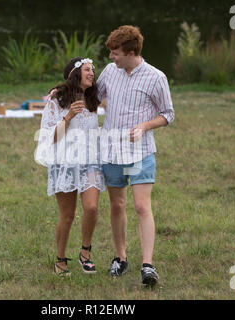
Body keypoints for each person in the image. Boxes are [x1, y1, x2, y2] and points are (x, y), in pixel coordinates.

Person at [96, 25, 175, 286]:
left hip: (140, 153)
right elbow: (92, 98)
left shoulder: (156, 77)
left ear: (131, 52)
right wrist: (60, 95)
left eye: (115, 52)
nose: (111, 57)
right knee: (117, 205)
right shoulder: (110, 72)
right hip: (111, 152)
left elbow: (168, 114)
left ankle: (148, 266)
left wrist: (145, 126)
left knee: (142, 206)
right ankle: (120, 258)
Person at [36, 57, 105, 277]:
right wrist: (69, 116)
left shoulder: (92, 99)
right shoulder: (57, 99)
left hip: (90, 161)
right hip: (64, 162)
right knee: (67, 215)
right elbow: (50, 138)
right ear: (75, 74)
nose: (92, 73)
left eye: (93, 69)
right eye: (87, 69)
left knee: (92, 208)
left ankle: (85, 252)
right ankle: (60, 258)